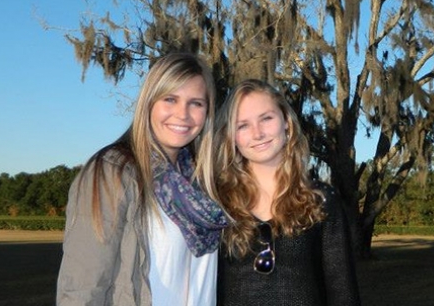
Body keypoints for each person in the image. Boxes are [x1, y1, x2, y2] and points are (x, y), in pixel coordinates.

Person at [57, 53, 228, 306]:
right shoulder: (112, 171)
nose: (183, 114)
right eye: (170, 99)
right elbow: (84, 286)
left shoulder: (202, 183)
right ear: (148, 102)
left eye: (196, 103)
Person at [209, 79, 361, 306]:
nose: (257, 133)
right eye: (243, 125)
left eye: (266, 118)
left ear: (286, 123)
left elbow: (343, 292)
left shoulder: (319, 200)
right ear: (231, 136)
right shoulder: (216, 202)